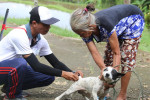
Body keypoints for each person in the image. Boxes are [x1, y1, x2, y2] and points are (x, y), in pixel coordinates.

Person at [0, 6, 83, 100]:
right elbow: (36, 66)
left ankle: (9, 88)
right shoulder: (19, 35)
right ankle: (12, 96)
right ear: (34, 23)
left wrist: (72, 73)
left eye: (50, 24)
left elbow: (55, 63)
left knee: (48, 76)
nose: (49, 27)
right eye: (46, 24)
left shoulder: (40, 40)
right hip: (3, 69)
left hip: (11, 71)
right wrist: (63, 74)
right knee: (21, 63)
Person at [70, 4, 144, 100]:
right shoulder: (85, 30)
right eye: (78, 34)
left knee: (126, 57)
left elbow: (116, 53)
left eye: (82, 33)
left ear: (91, 26)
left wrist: (114, 76)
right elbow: (94, 53)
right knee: (108, 58)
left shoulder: (105, 24)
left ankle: (122, 95)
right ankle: (105, 90)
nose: (81, 36)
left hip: (133, 21)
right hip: (116, 26)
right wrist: (103, 69)